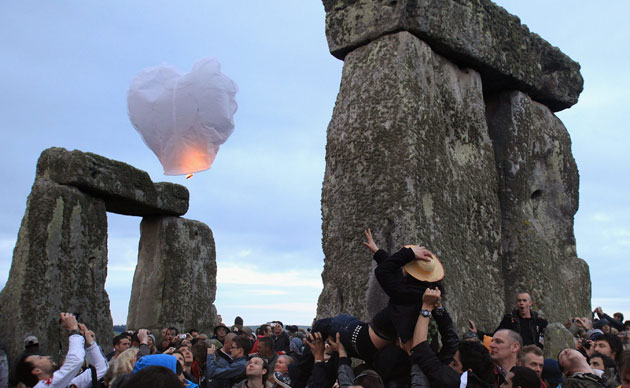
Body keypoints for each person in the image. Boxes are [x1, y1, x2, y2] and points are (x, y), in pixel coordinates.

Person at [363, 228, 445, 353]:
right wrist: (377, 251)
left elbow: (384, 272)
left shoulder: (405, 294)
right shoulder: (421, 290)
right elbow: (394, 273)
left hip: (369, 339)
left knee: (332, 324)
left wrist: (409, 253)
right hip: (380, 338)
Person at [16, 314, 108, 388]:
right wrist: (73, 331)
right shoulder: (42, 386)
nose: (47, 357)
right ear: (37, 370)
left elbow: (100, 369)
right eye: (40, 358)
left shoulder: (66, 383)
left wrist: (90, 344)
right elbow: (76, 360)